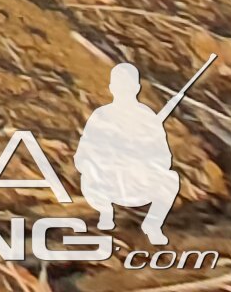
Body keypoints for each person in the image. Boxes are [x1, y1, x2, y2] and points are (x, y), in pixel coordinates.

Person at [75, 63, 180, 242]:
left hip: (139, 184)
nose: (124, 90)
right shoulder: (101, 116)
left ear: (137, 88)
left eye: (128, 85)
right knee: (87, 175)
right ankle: (106, 213)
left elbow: (164, 159)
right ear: (111, 88)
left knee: (171, 179)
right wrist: (107, 160)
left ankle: (153, 224)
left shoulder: (147, 117)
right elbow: (82, 156)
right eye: (120, 85)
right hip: (107, 185)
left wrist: (141, 159)